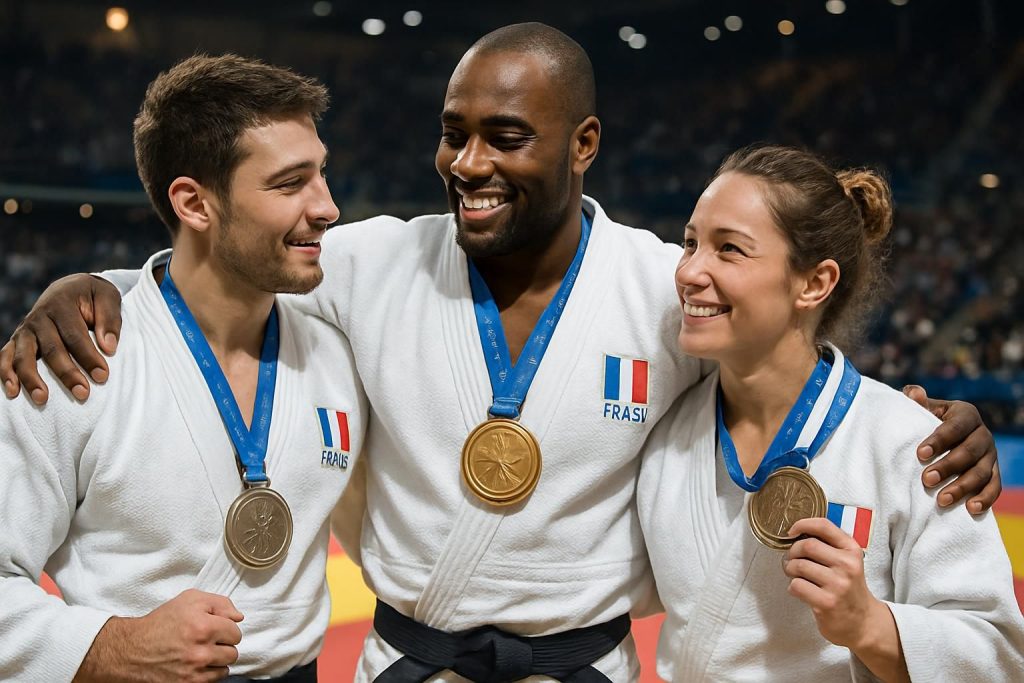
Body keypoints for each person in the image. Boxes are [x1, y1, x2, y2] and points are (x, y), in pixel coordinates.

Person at [0, 24, 1002, 682]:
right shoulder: (370, 261)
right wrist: (93, 287)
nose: (468, 163)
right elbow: (226, 265)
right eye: (453, 134)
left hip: (584, 666)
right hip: (404, 660)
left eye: (506, 135)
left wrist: (914, 423)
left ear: (583, 144)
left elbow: (784, 362)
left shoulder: (666, 290)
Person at [0, 55, 367, 682]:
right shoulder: (73, 365)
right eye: (289, 184)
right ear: (194, 204)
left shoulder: (343, 349)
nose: (328, 207)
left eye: (322, 174)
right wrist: (109, 645)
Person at [637, 145, 1024, 681]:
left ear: (815, 283)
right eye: (690, 243)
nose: (689, 271)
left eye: (729, 250)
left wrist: (870, 624)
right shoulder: (666, 435)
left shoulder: (913, 445)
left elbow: (999, 655)